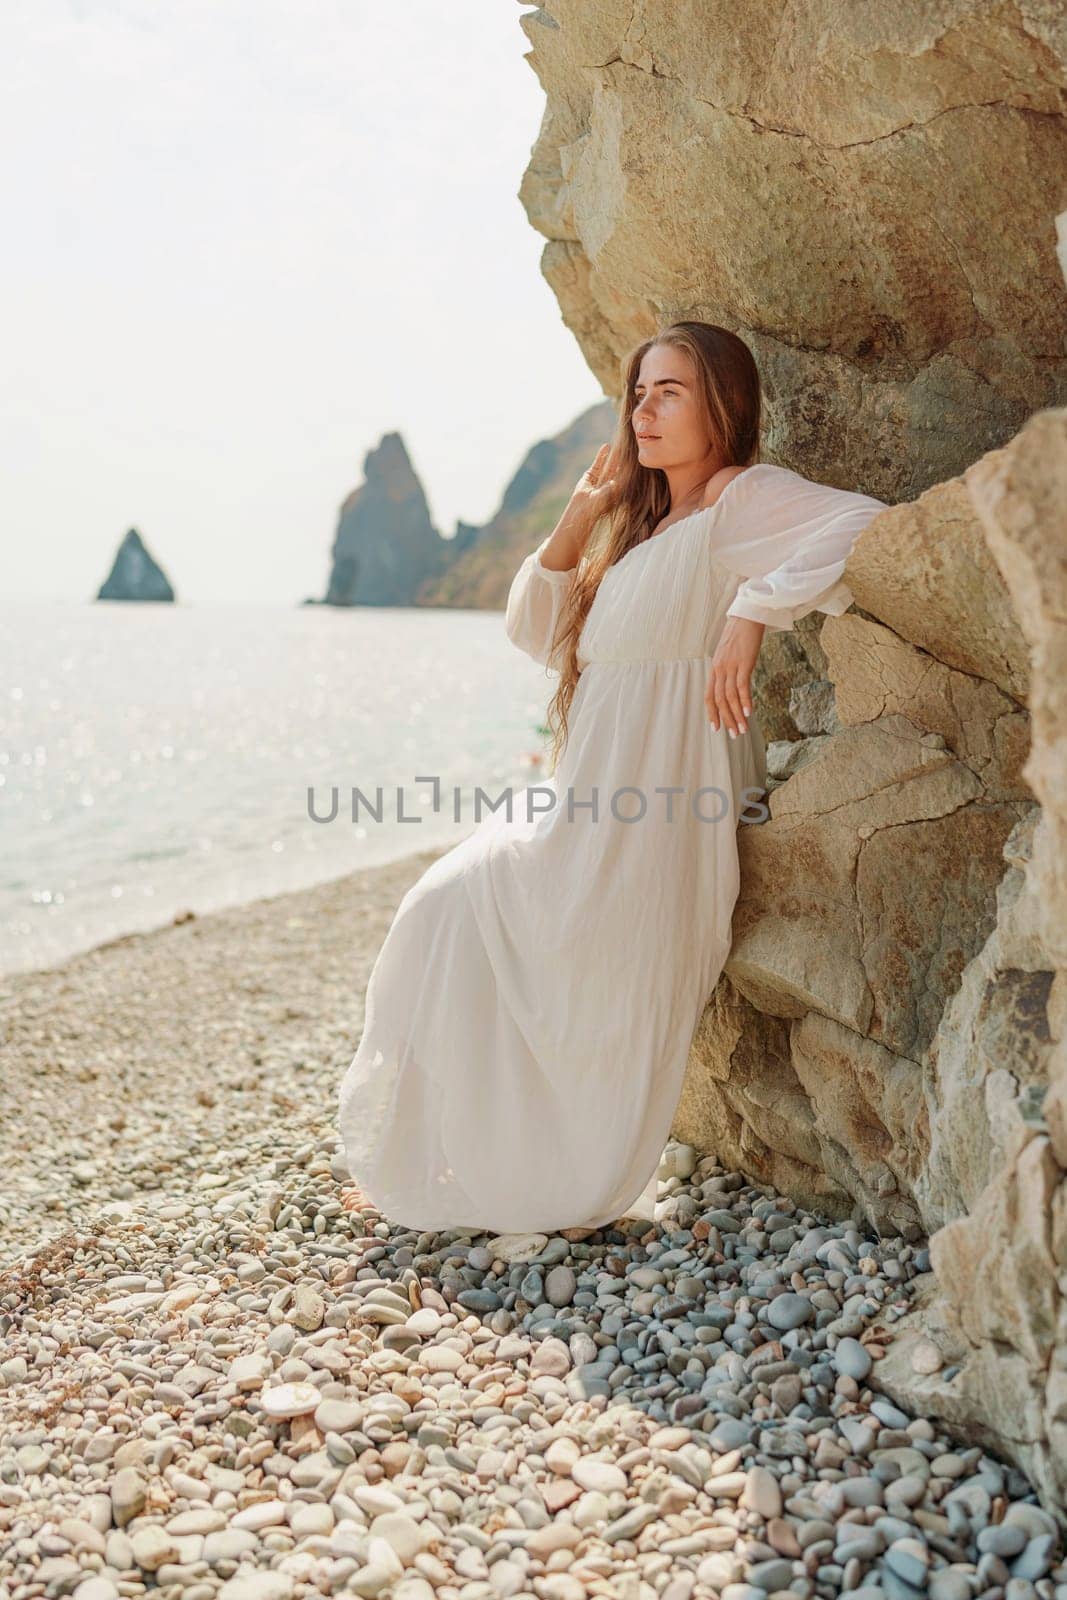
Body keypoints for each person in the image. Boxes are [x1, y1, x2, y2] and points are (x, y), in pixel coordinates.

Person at [336, 321, 888, 1238]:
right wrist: (578, 519)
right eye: (638, 391)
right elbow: (538, 635)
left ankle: (532, 1174)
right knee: (442, 911)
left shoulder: (739, 499)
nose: (645, 407)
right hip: (589, 801)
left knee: (509, 942)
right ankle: (447, 1159)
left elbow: (860, 522)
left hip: (660, 809)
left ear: (725, 403)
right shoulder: (640, 526)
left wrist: (751, 614)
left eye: (669, 390)